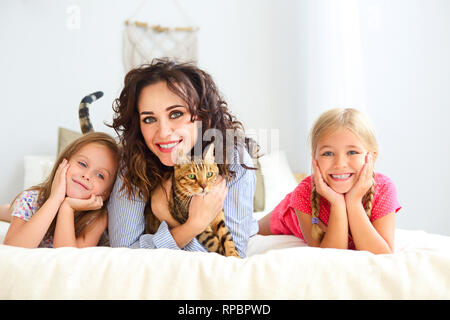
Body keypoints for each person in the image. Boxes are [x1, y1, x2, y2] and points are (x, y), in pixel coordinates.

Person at [107, 58, 258, 257]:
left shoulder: (234, 158)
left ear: (202, 115)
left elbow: (231, 261)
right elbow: (124, 254)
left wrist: (169, 217)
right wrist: (191, 227)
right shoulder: (133, 163)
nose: (163, 133)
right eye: (149, 119)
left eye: (176, 114)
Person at [259, 108, 401, 254]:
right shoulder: (303, 193)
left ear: (372, 156)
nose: (340, 163)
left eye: (352, 152)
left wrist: (353, 202)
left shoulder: (383, 188)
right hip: (286, 215)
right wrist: (337, 204)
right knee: (251, 229)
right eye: (328, 153)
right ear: (315, 159)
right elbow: (331, 255)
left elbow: (383, 254)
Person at [3, 132, 120, 248]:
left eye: (100, 175)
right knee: (11, 210)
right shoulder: (30, 200)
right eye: (82, 164)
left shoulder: (97, 218)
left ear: (106, 193)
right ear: (64, 163)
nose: (87, 175)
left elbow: (67, 259)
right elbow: (13, 248)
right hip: (40, 201)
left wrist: (67, 207)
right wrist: (55, 199)